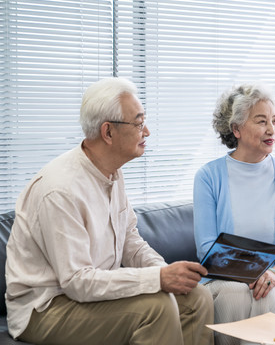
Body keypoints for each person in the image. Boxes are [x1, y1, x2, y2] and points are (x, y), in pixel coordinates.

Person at [5, 77, 214, 345]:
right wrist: (158, 279)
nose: (147, 131)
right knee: (157, 308)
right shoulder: (60, 190)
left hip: (88, 296)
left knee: (197, 297)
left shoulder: (112, 172)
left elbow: (130, 241)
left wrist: (167, 274)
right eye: (138, 123)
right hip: (46, 308)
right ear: (108, 132)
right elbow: (77, 282)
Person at [193, 84, 275, 345]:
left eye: (274, 121)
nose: (272, 130)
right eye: (262, 122)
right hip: (224, 280)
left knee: (268, 293)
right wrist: (263, 271)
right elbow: (206, 248)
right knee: (235, 294)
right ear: (236, 129)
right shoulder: (208, 176)